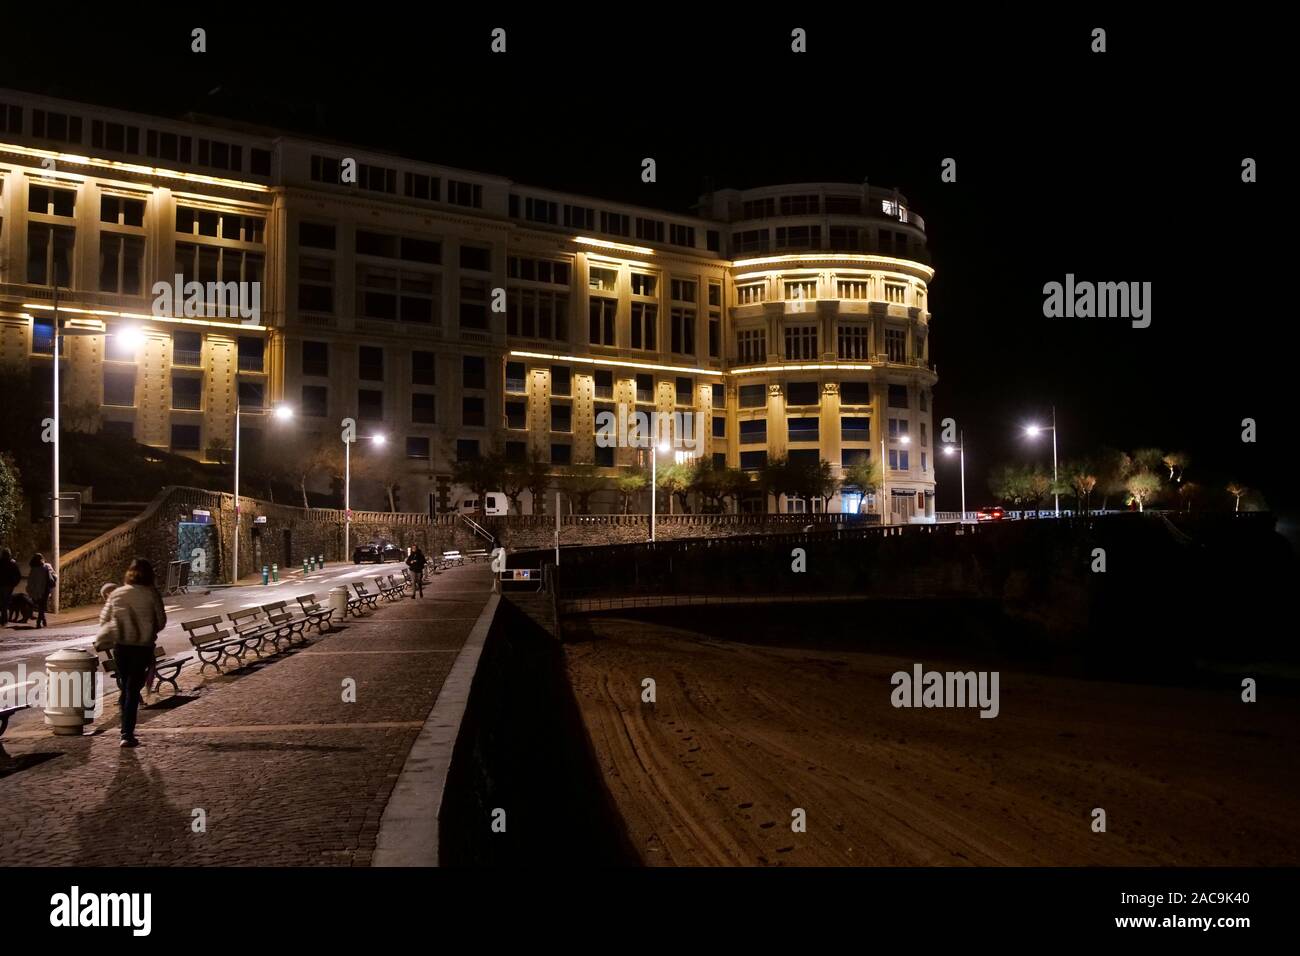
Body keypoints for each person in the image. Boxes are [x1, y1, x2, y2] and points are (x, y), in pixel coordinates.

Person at [99, 558, 166, 748]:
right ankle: (127, 733)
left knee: (127, 687)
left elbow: (104, 619)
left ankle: (125, 729)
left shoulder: (117, 593)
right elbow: (161, 621)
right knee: (132, 688)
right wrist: (148, 630)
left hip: (121, 647)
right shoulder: (152, 594)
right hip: (142, 647)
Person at [26, 553, 56, 628]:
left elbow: (30, 581)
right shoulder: (46, 567)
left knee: (40, 606)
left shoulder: (33, 569)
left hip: (36, 591)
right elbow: (52, 578)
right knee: (42, 606)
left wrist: (30, 590)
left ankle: (41, 620)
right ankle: (40, 620)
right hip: (45, 589)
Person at [0, 548, 21, 627]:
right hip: (8, 586)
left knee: (2, 602)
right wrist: (14, 584)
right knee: (5, 603)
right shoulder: (12, 564)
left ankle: (3, 619)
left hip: (2, 585)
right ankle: (4, 620)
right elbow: (18, 575)